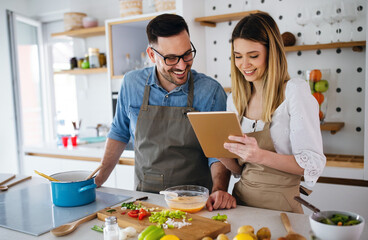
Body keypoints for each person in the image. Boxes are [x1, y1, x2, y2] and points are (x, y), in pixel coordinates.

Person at [95, 14, 236, 211]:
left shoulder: (210, 91)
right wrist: (98, 180)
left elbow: (218, 152)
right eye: (171, 58)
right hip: (144, 202)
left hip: (195, 204)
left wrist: (219, 189)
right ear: (152, 55)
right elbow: (119, 132)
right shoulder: (131, 83)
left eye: (187, 54)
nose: (181, 65)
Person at [217, 12, 326, 213]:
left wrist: (259, 155)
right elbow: (241, 170)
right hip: (241, 204)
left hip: (282, 208)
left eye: (253, 56)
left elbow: (313, 163)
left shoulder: (293, 91)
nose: (244, 64)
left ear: (272, 52)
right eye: (238, 56)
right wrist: (219, 153)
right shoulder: (235, 98)